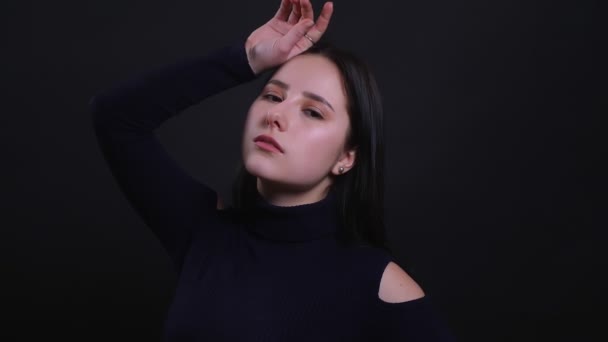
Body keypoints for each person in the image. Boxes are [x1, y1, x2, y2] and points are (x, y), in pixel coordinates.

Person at [89, 0, 456, 340]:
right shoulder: (204, 233)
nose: (275, 115)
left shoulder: (378, 282)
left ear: (347, 156)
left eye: (312, 111)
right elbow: (116, 117)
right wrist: (246, 59)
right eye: (272, 95)